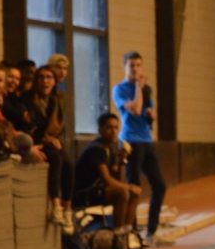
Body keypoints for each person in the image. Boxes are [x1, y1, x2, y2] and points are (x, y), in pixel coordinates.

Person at [114, 51, 171, 247]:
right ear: (125, 67)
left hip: (146, 141)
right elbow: (135, 109)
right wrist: (138, 86)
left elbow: (147, 113)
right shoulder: (119, 89)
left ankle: (151, 233)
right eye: (132, 65)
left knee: (159, 185)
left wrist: (152, 115)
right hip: (130, 142)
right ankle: (133, 233)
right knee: (134, 187)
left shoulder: (147, 89)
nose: (136, 69)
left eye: (139, 65)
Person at [72, 112, 140, 233]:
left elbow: (119, 181)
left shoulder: (111, 149)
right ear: (100, 129)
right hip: (85, 193)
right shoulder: (96, 149)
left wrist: (122, 160)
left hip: (99, 190)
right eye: (109, 127)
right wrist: (129, 187)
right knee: (122, 192)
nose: (113, 131)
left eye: (116, 127)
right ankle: (118, 232)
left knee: (135, 192)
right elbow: (107, 180)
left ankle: (128, 231)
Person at [24, 65, 73, 226]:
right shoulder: (29, 100)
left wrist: (54, 138)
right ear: (36, 80)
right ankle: (56, 205)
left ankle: (67, 209)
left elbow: (59, 127)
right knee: (56, 159)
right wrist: (45, 139)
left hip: (52, 140)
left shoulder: (57, 100)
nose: (45, 81)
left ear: (54, 81)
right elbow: (29, 127)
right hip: (36, 141)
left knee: (69, 164)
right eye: (42, 77)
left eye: (49, 77)